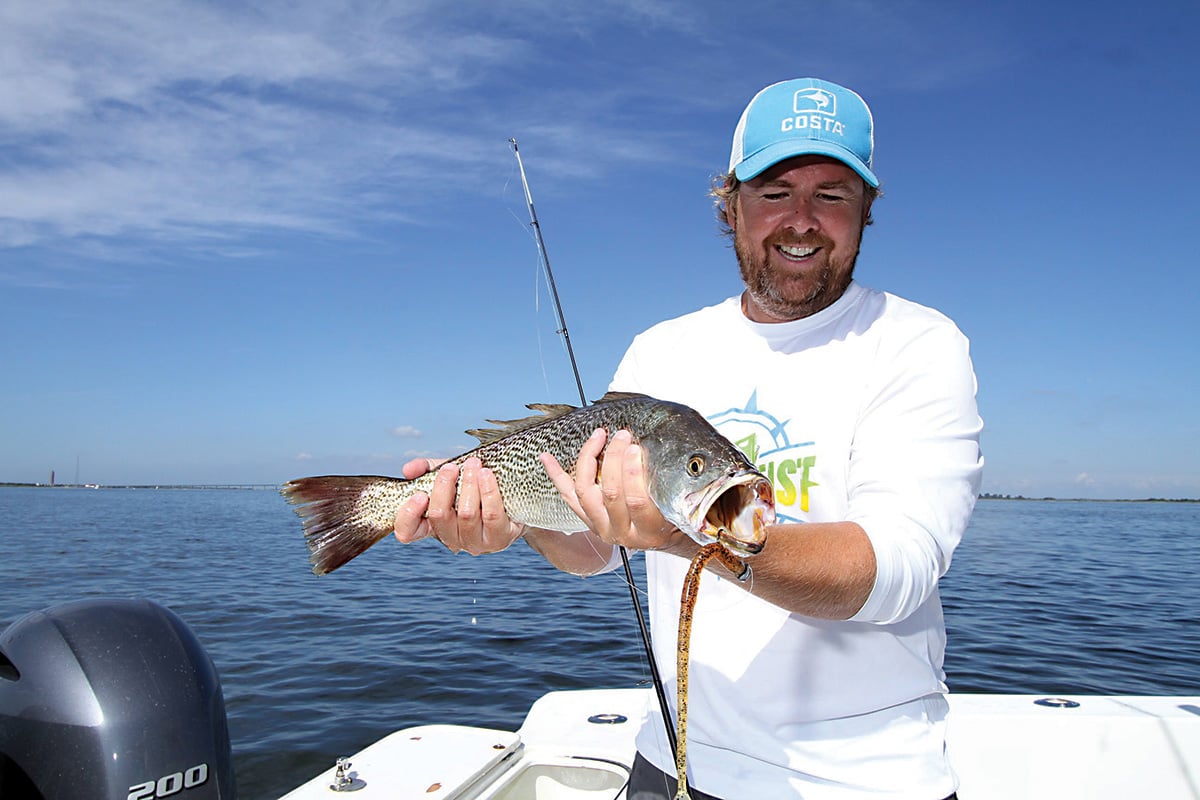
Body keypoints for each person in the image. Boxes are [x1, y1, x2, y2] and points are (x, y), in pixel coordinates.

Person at [393, 77, 982, 800]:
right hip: (672, 762)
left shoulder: (916, 343)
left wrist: (682, 537)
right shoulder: (660, 352)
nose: (801, 220)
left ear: (866, 212)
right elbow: (595, 547)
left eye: (832, 195)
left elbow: (894, 573)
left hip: (862, 781)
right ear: (729, 205)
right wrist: (512, 523)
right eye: (773, 192)